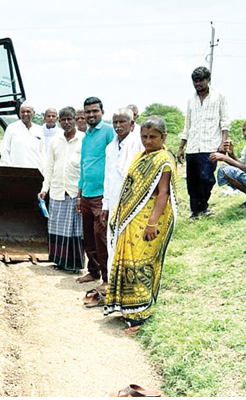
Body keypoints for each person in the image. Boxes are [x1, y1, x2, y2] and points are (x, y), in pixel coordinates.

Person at [103, 116, 178, 333]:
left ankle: (140, 314)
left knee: (140, 264)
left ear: (163, 137)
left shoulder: (163, 160)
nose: (147, 140)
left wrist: (152, 223)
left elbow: (163, 193)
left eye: (152, 137)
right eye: (144, 136)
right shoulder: (141, 157)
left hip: (150, 220)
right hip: (132, 218)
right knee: (126, 261)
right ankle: (127, 309)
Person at [85, 108, 144, 307]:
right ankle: (112, 284)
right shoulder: (111, 147)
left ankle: (128, 290)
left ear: (131, 123)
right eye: (116, 122)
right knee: (112, 244)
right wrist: (105, 206)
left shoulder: (138, 144)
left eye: (122, 122)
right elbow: (109, 179)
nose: (118, 126)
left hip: (132, 204)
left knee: (129, 248)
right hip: (113, 204)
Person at [177, 66, 230, 219]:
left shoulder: (219, 97)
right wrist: (181, 147)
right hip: (193, 147)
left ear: (208, 80)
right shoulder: (190, 100)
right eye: (195, 81)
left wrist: (223, 142)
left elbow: (225, 121)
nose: (198, 84)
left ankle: (204, 207)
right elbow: (187, 125)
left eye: (201, 80)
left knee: (206, 178)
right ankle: (195, 211)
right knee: (192, 181)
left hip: (210, 145)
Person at [38, 107, 84, 271]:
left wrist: (81, 192)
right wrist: (45, 188)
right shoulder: (55, 141)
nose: (66, 122)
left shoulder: (83, 139)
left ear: (76, 120)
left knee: (74, 229)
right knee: (56, 228)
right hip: (57, 190)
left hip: (74, 191)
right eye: (63, 119)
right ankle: (59, 262)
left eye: (69, 119)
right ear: (59, 121)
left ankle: (74, 265)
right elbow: (49, 166)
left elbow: (85, 167)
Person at [76, 97, 115, 287]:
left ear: (102, 112)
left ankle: (107, 278)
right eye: (88, 112)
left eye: (95, 111)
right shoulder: (86, 136)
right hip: (87, 194)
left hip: (101, 195)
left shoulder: (109, 132)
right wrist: (80, 193)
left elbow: (114, 161)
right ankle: (93, 271)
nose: (91, 115)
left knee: (102, 237)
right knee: (88, 237)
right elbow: (84, 166)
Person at [0, 101, 44, 171]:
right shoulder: (12, 128)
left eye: (28, 112)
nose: (25, 114)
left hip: (36, 172)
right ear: (19, 114)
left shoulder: (39, 130)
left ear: (33, 113)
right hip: (16, 172)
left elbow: (43, 152)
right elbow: (5, 150)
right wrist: (9, 170)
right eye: (23, 112)